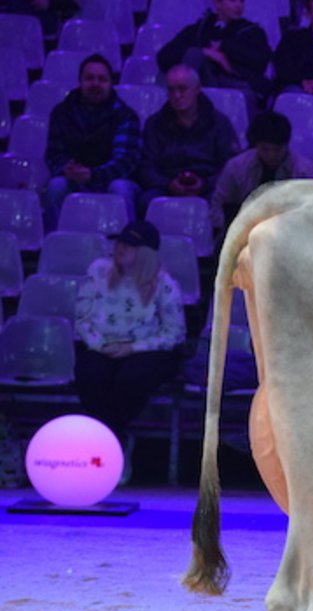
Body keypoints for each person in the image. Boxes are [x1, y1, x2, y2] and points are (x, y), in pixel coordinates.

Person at [72, 219, 186, 458]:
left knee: (132, 378)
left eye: (130, 245)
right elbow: (82, 317)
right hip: (100, 345)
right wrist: (100, 345)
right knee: (90, 374)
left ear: (146, 253)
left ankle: (106, 442)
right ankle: (116, 440)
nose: (120, 248)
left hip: (146, 350)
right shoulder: (98, 271)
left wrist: (131, 348)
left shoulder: (164, 285)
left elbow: (175, 333)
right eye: (120, 242)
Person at [43, 53, 141, 230]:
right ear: (80, 81)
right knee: (55, 186)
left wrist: (93, 175)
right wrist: (66, 168)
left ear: (111, 83)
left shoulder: (126, 115)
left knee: (120, 189)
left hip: (111, 179)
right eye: (89, 78)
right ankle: (54, 244)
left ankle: (128, 247)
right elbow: (53, 154)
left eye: (102, 79)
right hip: (73, 179)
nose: (95, 83)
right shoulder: (60, 113)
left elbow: (125, 161)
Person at [136, 64, 241, 215]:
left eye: (182, 89)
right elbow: (145, 167)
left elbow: (230, 166)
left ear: (197, 88)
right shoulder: (154, 124)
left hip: (208, 187)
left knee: (224, 202)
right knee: (147, 201)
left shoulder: (219, 123)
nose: (177, 95)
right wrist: (168, 184)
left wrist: (205, 184)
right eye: (171, 90)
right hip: (166, 186)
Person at [209, 110, 313, 234]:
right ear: (256, 145)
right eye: (265, 149)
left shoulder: (308, 174)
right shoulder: (236, 168)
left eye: (277, 150)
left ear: (287, 145)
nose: (271, 155)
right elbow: (218, 205)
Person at [157, 0, 272, 115]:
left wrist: (224, 48)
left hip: (234, 83)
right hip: (201, 82)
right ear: (218, 3)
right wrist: (205, 52)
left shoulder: (252, 32)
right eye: (233, 1)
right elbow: (163, 57)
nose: (239, 6)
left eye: (242, 1)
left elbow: (260, 62)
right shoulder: (198, 30)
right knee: (191, 58)